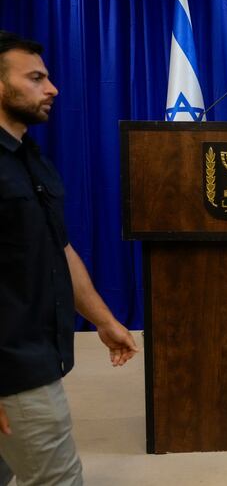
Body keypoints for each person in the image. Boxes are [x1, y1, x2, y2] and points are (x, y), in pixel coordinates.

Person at [0, 31, 139, 485]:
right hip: (14, 367)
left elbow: (57, 249)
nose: (53, 88)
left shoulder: (29, 157)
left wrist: (103, 319)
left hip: (38, 350)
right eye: (36, 78)